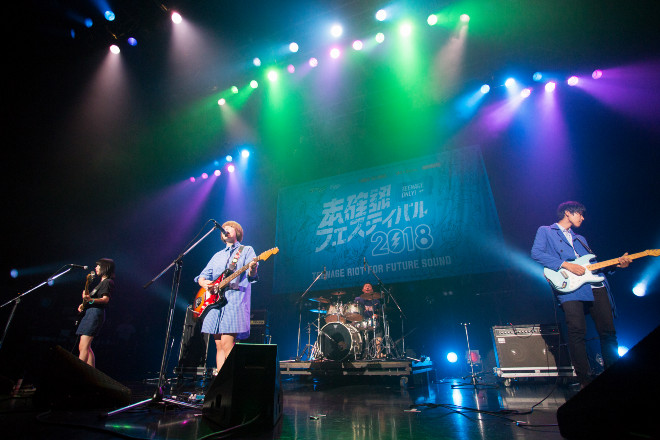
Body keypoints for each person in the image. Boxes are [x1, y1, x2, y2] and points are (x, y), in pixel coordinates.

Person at [531, 201, 631, 388]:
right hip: (570, 286)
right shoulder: (546, 231)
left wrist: (617, 265)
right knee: (577, 331)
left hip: (595, 285)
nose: (583, 218)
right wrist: (566, 265)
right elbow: (536, 253)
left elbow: (591, 266)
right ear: (567, 213)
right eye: (580, 214)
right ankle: (584, 379)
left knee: (608, 331)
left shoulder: (580, 239)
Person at [195, 221, 258, 374]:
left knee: (227, 343)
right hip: (214, 303)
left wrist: (253, 269)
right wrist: (204, 283)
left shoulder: (246, 250)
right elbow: (202, 276)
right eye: (224, 228)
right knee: (218, 346)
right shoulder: (217, 256)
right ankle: (221, 382)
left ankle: (232, 381)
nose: (226, 229)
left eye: (230, 227)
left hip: (233, 301)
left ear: (238, 232)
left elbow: (252, 276)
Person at [76, 258, 115, 368]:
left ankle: (78, 371)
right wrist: (84, 304)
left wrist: (90, 300)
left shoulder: (107, 282)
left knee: (83, 346)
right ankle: (91, 372)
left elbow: (105, 300)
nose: (96, 268)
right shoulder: (101, 283)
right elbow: (92, 300)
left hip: (95, 314)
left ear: (105, 268)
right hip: (90, 313)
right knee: (86, 347)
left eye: (98, 266)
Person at [355, 283, 384, 358]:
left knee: (378, 329)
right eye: (366, 286)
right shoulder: (358, 299)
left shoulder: (376, 301)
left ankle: (378, 352)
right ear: (363, 290)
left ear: (372, 290)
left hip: (372, 322)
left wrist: (377, 315)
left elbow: (380, 312)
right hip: (362, 321)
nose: (367, 287)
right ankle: (359, 352)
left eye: (369, 287)